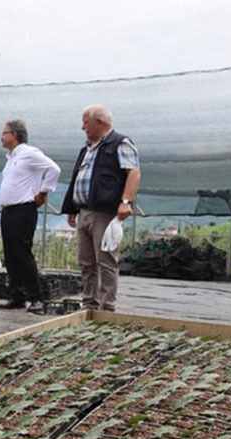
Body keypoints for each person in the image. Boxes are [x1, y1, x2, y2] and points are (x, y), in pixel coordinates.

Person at [62, 104, 141, 312]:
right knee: (86, 261)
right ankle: (89, 304)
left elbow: (133, 173)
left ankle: (107, 307)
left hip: (104, 212)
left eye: (85, 122)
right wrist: (72, 206)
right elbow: (77, 179)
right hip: (85, 211)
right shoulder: (87, 149)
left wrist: (125, 202)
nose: (83, 127)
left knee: (105, 260)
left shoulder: (119, 143)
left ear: (100, 122)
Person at [0, 119, 61, 314]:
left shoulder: (29, 153)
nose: (2, 136)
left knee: (23, 254)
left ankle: (36, 298)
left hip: (23, 209)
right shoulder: (11, 158)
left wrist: (43, 192)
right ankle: (17, 295)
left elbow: (54, 169)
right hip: (8, 210)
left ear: (14, 135)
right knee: (10, 254)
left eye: (5, 132)